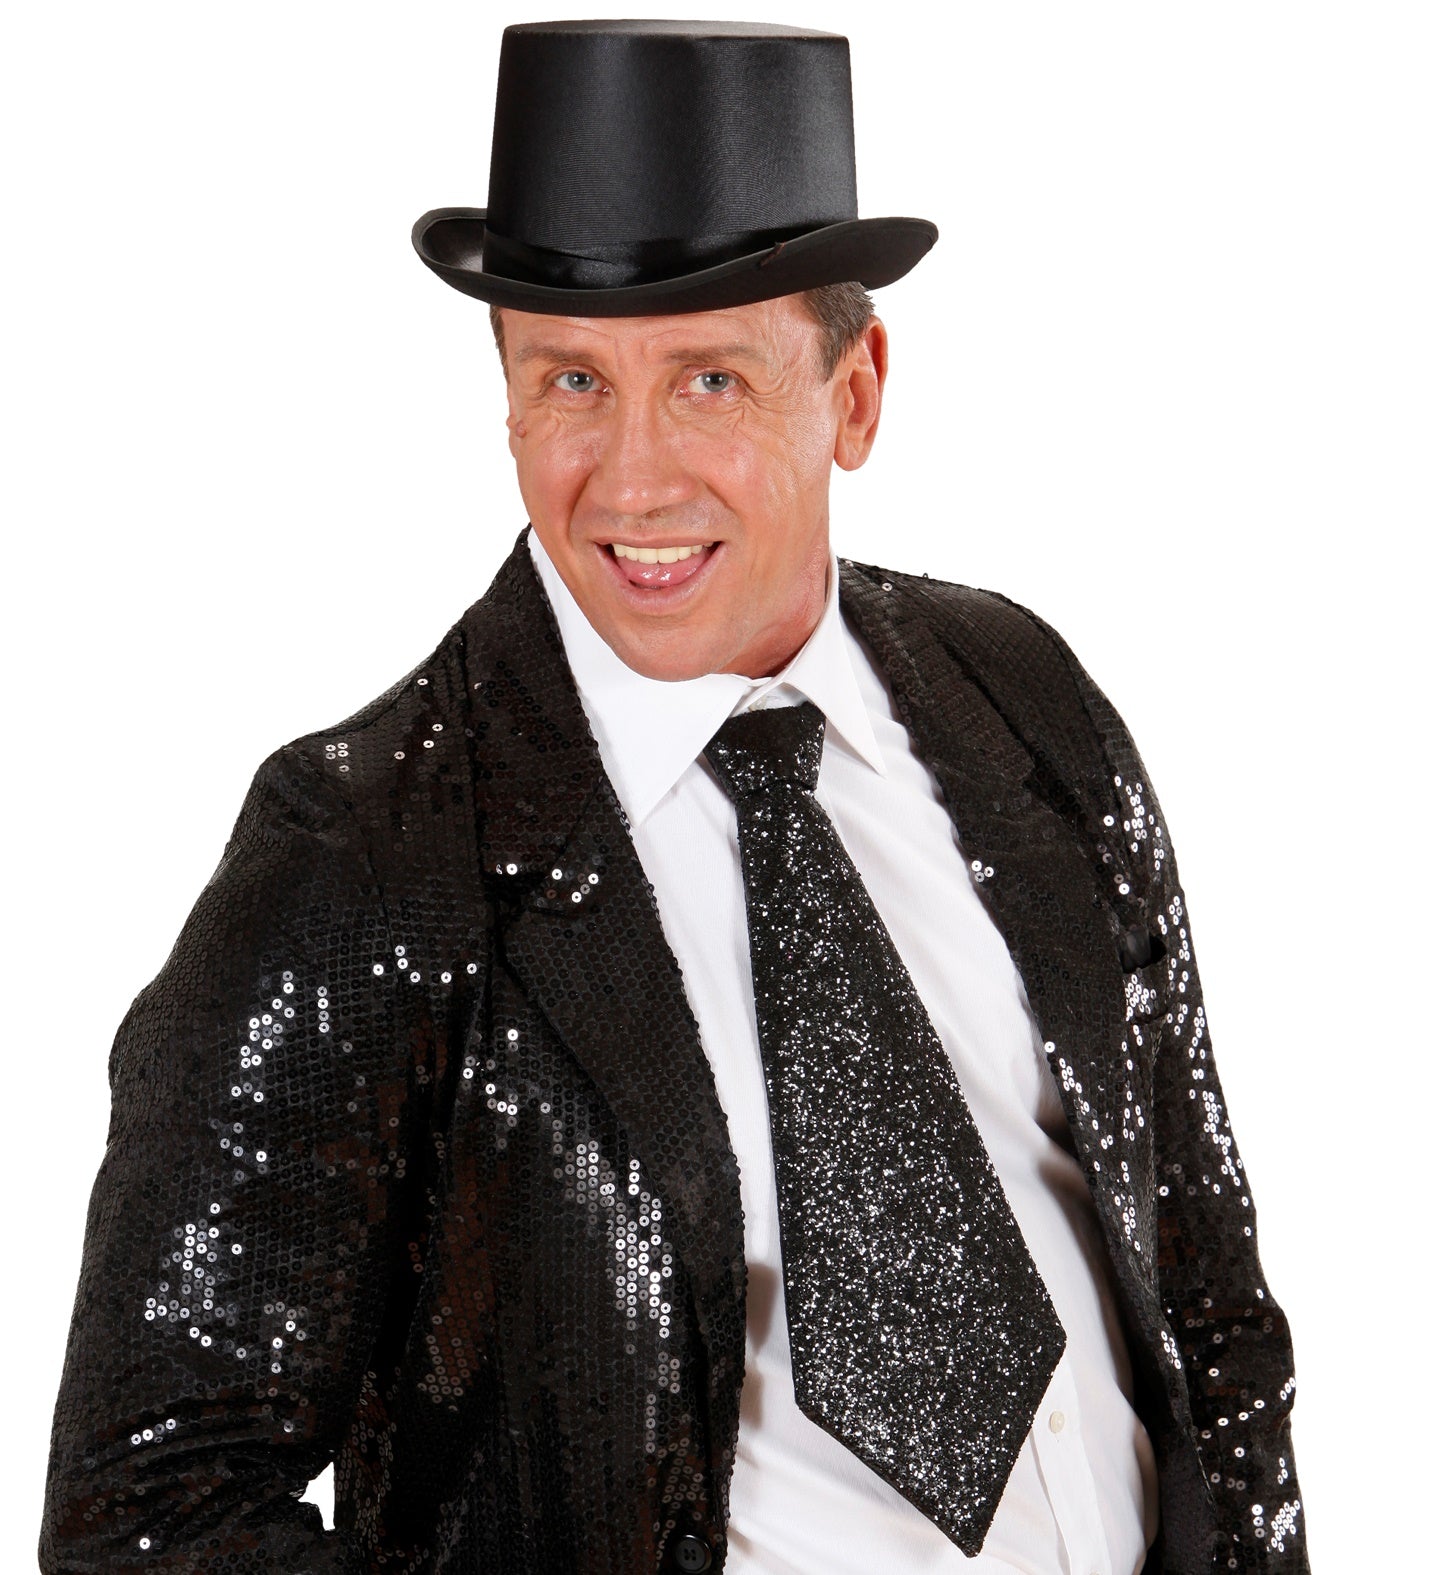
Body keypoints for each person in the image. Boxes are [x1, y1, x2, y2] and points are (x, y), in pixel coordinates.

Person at [41, 20, 1307, 1575]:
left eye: (708, 379)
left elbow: (1206, 1307)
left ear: (853, 394)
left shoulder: (1019, 701)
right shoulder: (360, 853)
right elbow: (148, 1520)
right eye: (572, 379)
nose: (632, 480)